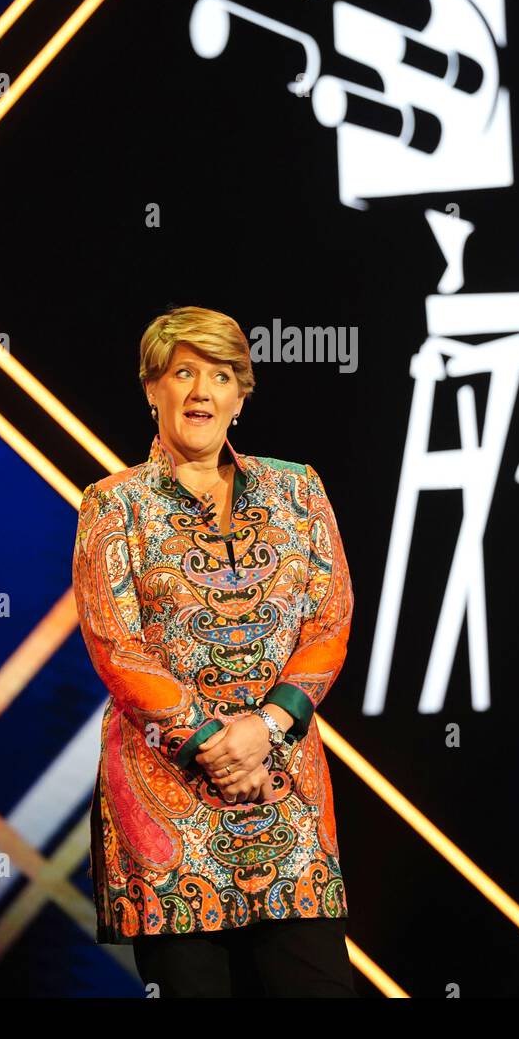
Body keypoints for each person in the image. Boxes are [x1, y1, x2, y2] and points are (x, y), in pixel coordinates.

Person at [71, 304, 357, 997]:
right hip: (168, 800)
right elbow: (119, 648)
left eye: (221, 375)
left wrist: (265, 729)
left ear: (241, 394)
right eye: (183, 373)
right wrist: (216, 748)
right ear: (152, 388)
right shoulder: (114, 506)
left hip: (285, 791)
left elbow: (330, 621)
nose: (201, 391)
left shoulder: (300, 489)